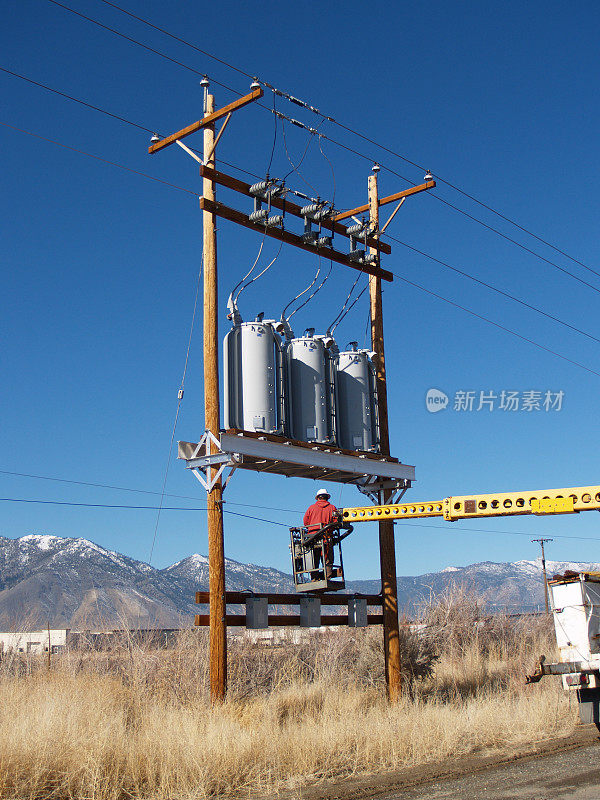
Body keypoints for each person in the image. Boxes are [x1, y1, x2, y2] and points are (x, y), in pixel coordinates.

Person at [303, 489, 338, 578]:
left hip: (312, 538)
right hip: (326, 537)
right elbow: (336, 521)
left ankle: (314, 578)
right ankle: (328, 577)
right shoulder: (332, 508)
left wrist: (311, 529)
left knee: (314, 558)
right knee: (328, 559)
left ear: (318, 498)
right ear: (327, 497)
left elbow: (305, 521)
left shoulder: (311, 508)